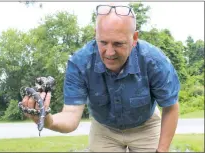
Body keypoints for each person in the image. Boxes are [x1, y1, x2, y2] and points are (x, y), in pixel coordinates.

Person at [21, 2, 180, 152]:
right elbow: (71, 116)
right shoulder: (79, 63)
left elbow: (171, 107)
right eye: (103, 42)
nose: (109, 52)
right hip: (104, 129)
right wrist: (48, 121)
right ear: (95, 34)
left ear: (134, 38)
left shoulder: (154, 61)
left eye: (118, 44)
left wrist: (162, 150)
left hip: (146, 125)